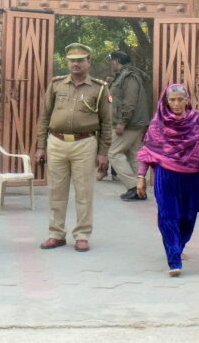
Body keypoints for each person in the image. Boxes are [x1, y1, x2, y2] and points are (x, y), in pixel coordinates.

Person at [135, 84, 199, 276]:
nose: (176, 104)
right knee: (168, 215)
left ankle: (178, 246)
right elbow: (148, 151)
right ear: (166, 101)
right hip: (166, 174)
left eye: (180, 99)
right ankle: (174, 259)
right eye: (172, 100)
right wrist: (141, 177)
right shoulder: (158, 123)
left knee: (188, 216)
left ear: (187, 99)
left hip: (193, 175)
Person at [35, 43, 112, 252]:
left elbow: (107, 122)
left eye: (80, 60)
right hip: (56, 142)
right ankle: (56, 233)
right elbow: (44, 116)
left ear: (89, 62)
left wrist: (103, 152)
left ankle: (82, 235)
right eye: (72, 60)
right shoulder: (56, 84)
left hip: (85, 143)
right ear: (67, 62)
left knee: (84, 192)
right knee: (56, 191)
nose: (75, 64)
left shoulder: (99, 87)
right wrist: (40, 145)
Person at [107, 51, 151, 202]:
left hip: (130, 123)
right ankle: (140, 190)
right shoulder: (123, 76)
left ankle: (133, 187)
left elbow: (130, 101)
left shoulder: (129, 77)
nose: (110, 63)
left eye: (111, 60)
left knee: (113, 153)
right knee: (134, 155)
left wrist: (122, 122)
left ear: (117, 61)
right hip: (134, 122)